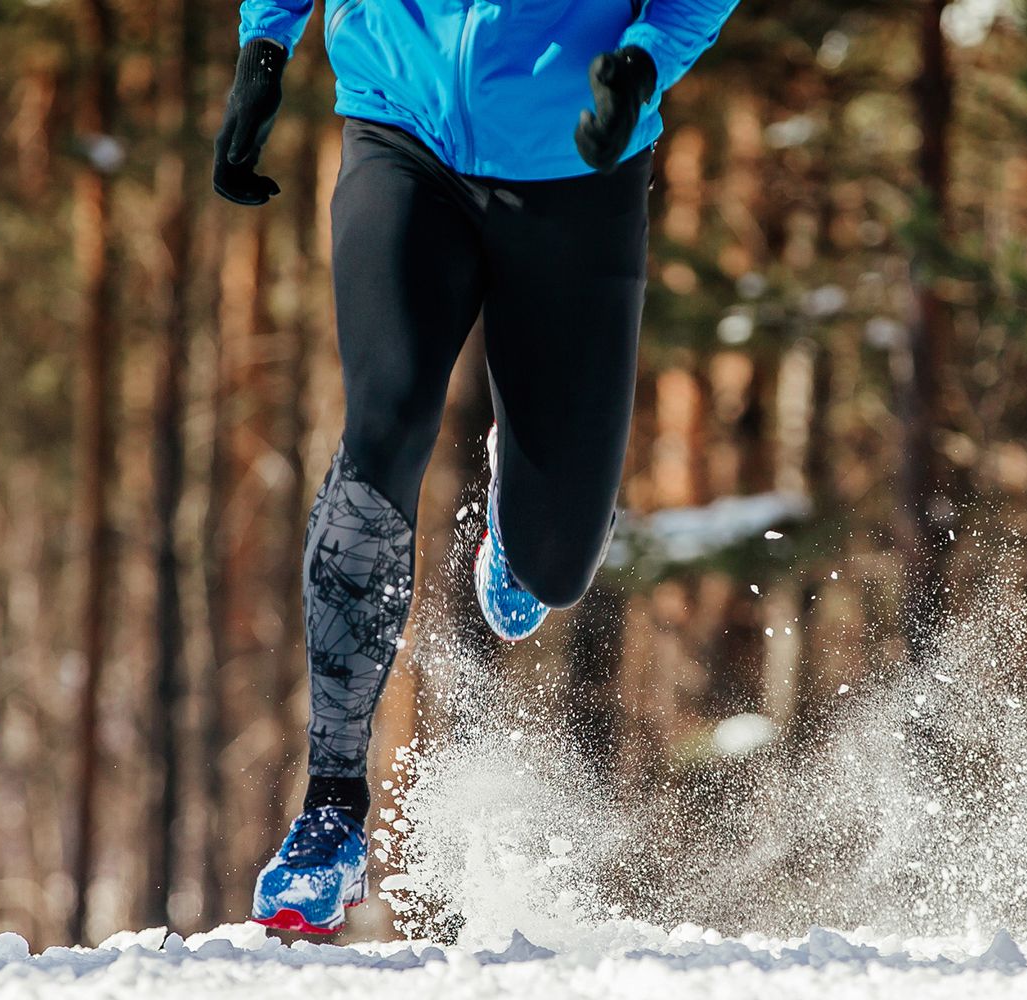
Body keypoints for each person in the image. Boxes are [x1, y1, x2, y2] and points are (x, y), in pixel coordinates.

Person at [223, 0, 738, 934]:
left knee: (555, 565)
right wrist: (267, 41)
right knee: (384, 427)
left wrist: (647, 60)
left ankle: (520, 512)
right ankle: (330, 818)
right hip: (401, 124)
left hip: (576, 157)